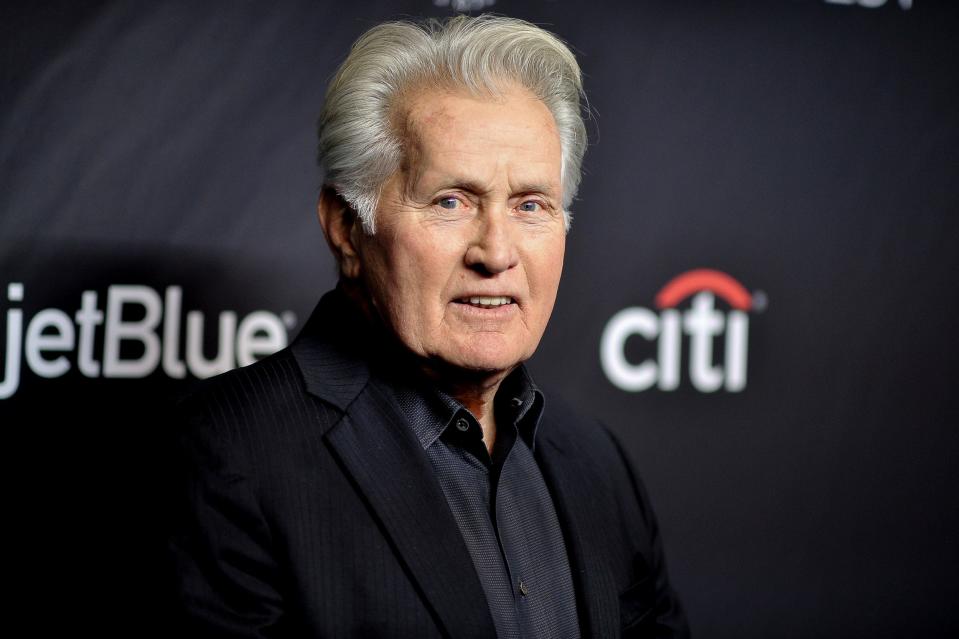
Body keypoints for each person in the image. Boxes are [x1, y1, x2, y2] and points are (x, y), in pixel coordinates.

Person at [168, 14, 689, 638]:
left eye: (531, 205)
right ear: (345, 228)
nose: (496, 253)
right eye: (451, 201)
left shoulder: (596, 465)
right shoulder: (227, 453)